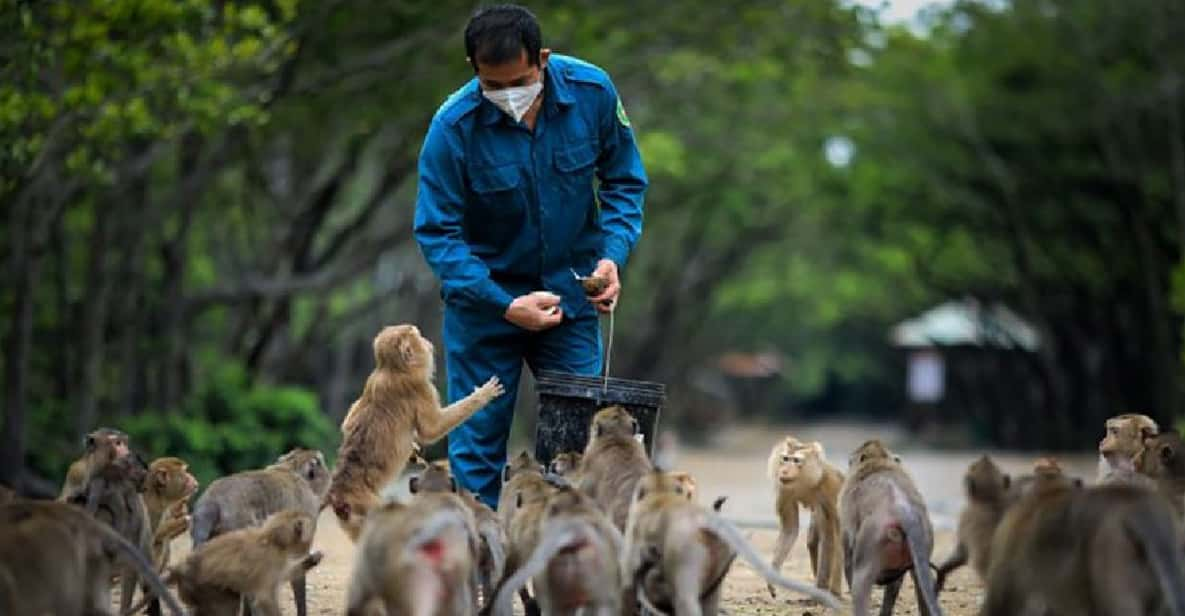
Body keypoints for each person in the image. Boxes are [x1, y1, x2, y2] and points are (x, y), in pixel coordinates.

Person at [413, 4, 648, 507]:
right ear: (473, 70)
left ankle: (567, 573)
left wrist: (612, 257)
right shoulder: (452, 128)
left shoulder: (592, 92)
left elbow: (624, 181)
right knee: (475, 448)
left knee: (577, 444)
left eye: (518, 81)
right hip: (485, 309)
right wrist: (502, 303)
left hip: (571, 301)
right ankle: (480, 573)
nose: (507, 97)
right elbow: (438, 234)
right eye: (492, 86)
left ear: (541, 59)